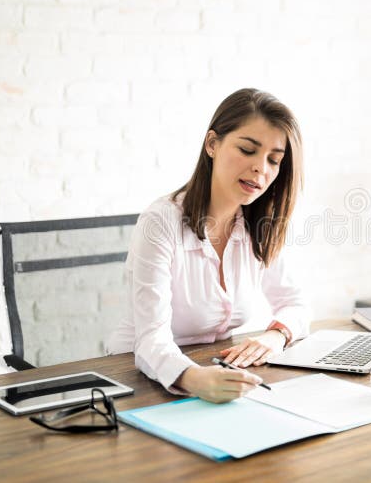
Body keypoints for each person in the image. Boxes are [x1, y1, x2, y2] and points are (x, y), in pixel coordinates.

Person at [108, 88, 310, 403]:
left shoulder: (260, 224)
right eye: (247, 150)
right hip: (139, 379)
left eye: (274, 159)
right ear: (212, 144)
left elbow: (296, 304)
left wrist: (275, 336)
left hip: (213, 370)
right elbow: (150, 339)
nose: (261, 168)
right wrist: (194, 379)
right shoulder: (159, 222)